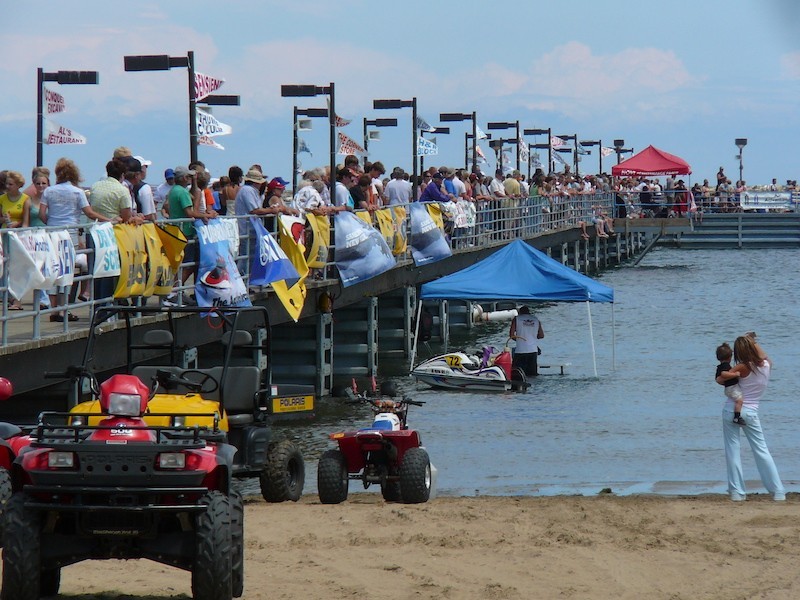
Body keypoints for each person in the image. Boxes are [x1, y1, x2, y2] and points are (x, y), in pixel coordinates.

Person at [716, 333, 785, 502]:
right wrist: (753, 342)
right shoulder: (767, 365)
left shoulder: (741, 367)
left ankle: (737, 493)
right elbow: (763, 357)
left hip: (732, 409)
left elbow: (721, 379)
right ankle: (778, 492)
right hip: (752, 411)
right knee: (761, 451)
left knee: (732, 451)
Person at [508, 306, 544, 377]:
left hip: (520, 350)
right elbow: (541, 335)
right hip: (533, 350)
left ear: (520, 312)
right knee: (532, 375)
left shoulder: (516, 319)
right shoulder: (536, 320)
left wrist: (519, 340)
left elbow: (512, 335)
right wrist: (532, 337)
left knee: (517, 374)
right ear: (529, 312)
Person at [715, 342, 745, 425]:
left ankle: (737, 416)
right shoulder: (725, 365)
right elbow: (723, 374)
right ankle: (737, 417)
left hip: (729, 388)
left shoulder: (720, 366)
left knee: (738, 400)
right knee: (740, 400)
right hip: (731, 388)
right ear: (730, 357)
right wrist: (735, 374)